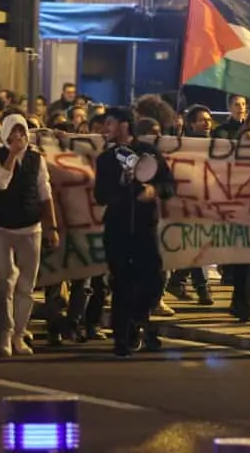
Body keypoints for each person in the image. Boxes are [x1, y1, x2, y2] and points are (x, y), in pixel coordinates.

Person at [94, 107, 175, 357]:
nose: (105, 127)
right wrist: (120, 185)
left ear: (125, 125)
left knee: (153, 280)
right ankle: (121, 338)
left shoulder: (148, 153)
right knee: (121, 284)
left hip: (144, 228)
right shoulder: (106, 159)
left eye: (110, 122)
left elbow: (169, 185)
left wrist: (154, 191)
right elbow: (99, 196)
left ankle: (136, 321)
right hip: (117, 228)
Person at [0, 114, 59, 356]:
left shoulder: (37, 159)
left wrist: (52, 227)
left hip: (31, 228)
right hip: (3, 228)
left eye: (22, 132)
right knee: (5, 281)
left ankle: (19, 334)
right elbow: (0, 184)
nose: (19, 137)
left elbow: (44, 192)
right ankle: (4, 334)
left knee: (26, 285)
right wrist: (12, 155)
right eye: (13, 133)